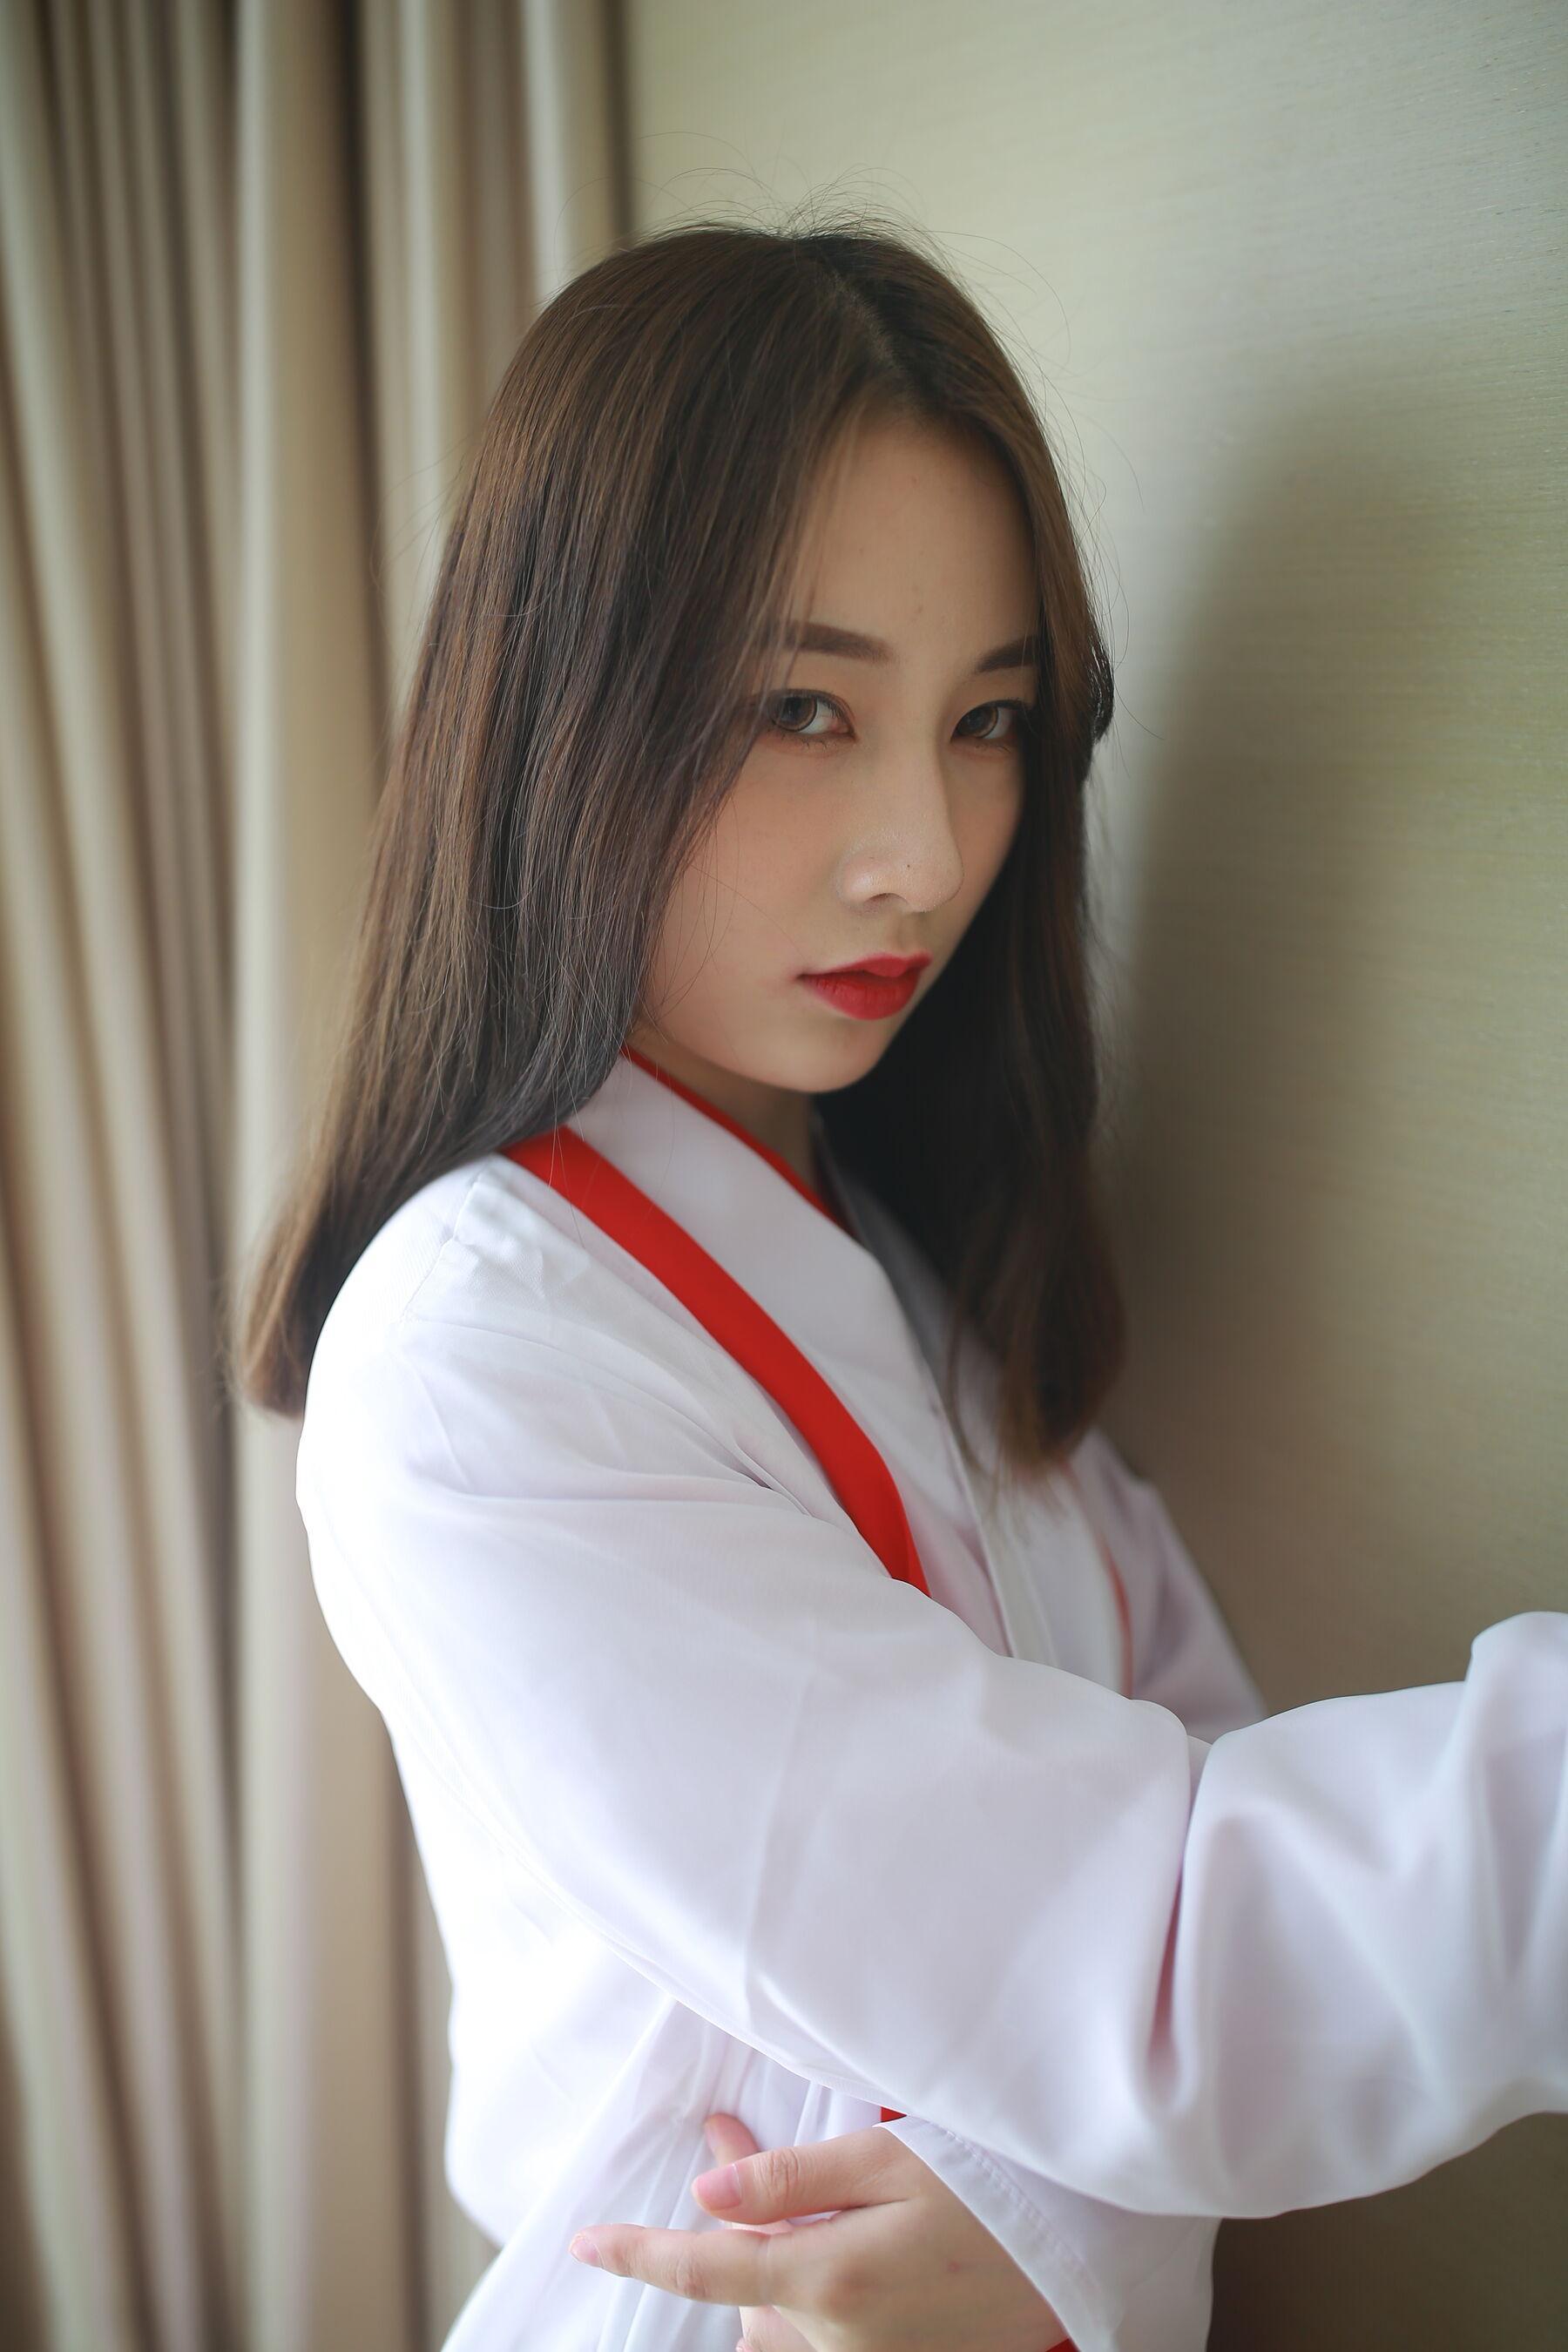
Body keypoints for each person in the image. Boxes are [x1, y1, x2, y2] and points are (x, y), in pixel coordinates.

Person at [232, 215, 1568, 2352]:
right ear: (564, 707)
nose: (927, 855)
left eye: (989, 721)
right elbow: (1149, 1960)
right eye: (803, 707)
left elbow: (1174, 1782)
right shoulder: (480, 1364)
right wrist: (1094, 2197)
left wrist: (1063, 2220)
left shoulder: (912, 1252)